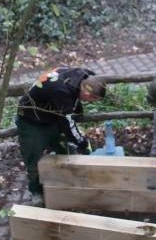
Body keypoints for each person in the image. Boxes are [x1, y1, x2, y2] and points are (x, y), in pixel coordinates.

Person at [16, 67, 106, 200]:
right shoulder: (61, 91)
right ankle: (37, 191)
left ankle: (65, 180)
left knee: (63, 148)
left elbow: (73, 99)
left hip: (51, 114)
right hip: (31, 119)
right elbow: (67, 122)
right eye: (92, 100)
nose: (89, 102)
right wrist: (82, 141)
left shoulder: (82, 75)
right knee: (34, 157)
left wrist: (77, 109)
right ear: (87, 94)